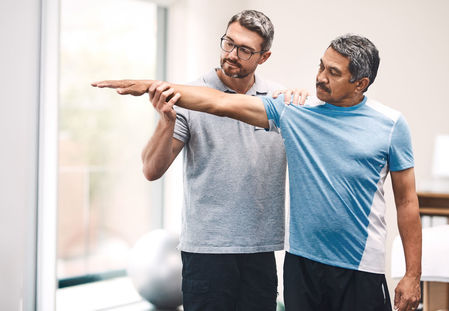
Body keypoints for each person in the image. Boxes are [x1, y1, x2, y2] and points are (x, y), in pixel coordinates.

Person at [93, 34, 422, 311]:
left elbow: (406, 202)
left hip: (360, 268)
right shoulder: (294, 111)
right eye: (321, 65)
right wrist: (154, 86)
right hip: (302, 266)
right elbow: (218, 103)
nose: (321, 76)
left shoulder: (391, 125)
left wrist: (411, 274)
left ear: (360, 83)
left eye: (333, 72)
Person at [97, 10, 303, 311]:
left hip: (260, 251)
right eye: (228, 43)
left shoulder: (277, 101)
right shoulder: (189, 96)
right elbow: (151, 170)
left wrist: (300, 98)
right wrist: (167, 121)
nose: (232, 55)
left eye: (245, 50)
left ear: (264, 56)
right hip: (207, 252)